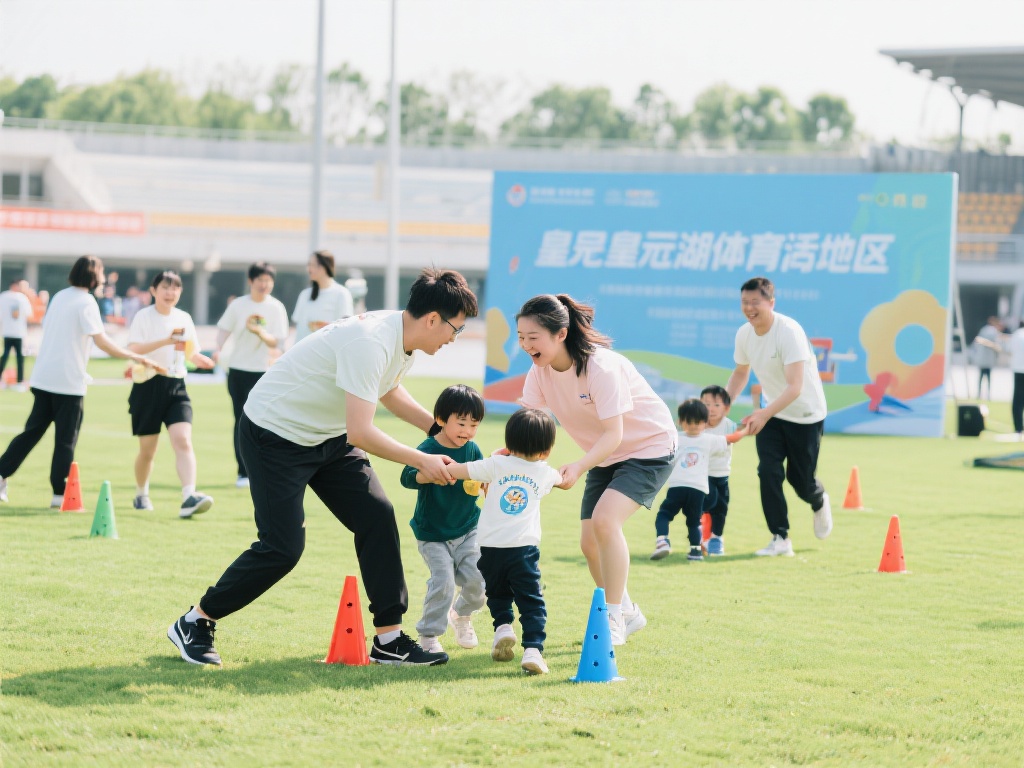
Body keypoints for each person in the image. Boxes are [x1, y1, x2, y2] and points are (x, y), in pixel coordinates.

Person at [167, 267, 478, 667]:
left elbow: (387, 389)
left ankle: (389, 639)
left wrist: (438, 431)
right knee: (282, 548)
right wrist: (422, 459)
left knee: (377, 516)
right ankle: (196, 620)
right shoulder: (370, 341)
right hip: (274, 434)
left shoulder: (401, 340)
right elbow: (361, 432)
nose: (454, 338)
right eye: (456, 328)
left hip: (327, 438)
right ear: (433, 319)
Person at [516, 294, 677, 646]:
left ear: (560, 334)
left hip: (649, 447)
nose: (526, 345)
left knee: (605, 521)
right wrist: (503, 462)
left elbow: (613, 434)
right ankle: (629, 612)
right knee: (590, 543)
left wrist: (578, 465)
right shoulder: (539, 371)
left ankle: (613, 616)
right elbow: (527, 424)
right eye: (521, 337)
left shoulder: (600, 367)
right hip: (606, 455)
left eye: (533, 337)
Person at [0, 256, 162, 507]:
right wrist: (136, 356)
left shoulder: (60, 296)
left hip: (44, 378)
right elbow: (102, 342)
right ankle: (59, 494)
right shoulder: (86, 302)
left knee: (31, 433)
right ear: (93, 276)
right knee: (66, 440)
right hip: (68, 383)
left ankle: (2, 473)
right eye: (102, 273)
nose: (104, 277)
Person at [446, 408, 564, 675]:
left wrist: (441, 465)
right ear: (547, 450)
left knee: (497, 593)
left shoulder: (495, 465)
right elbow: (563, 480)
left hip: (489, 549)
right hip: (523, 550)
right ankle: (533, 650)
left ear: (509, 443)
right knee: (531, 600)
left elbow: (460, 470)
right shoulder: (545, 473)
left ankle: (502, 627)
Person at [725, 276, 833, 558]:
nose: (749, 308)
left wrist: (763, 413)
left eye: (755, 302)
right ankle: (780, 538)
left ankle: (819, 500)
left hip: (805, 415)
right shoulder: (744, 334)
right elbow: (740, 372)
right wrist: (723, 406)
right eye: (744, 302)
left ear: (771, 303)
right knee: (768, 471)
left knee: (801, 482)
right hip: (772, 413)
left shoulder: (789, 332)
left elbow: (795, 387)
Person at [401, 384, 487, 654]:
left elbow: (483, 473)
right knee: (444, 582)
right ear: (441, 419)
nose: (467, 431)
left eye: (474, 425)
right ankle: (429, 636)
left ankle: (461, 614)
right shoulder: (428, 448)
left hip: (468, 528)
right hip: (433, 533)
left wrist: (488, 483)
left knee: (478, 582)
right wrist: (428, 474)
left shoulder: (472, 449)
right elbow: (406, 478)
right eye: (461, 423)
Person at [126, 271, 217, 518]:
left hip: (177, 386)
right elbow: (133, 349)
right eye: (165, 287)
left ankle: (189, 496)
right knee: (148, 451)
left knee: (183, 440)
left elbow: (190, 351)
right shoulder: (144, 316)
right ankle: (141, 493)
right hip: (147, 386)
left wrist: (201, 360)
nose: (171, 293)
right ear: (153, 291)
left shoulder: (184, 318)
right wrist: (165, 341)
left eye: (175, 288)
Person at [214, 262, 289, 488]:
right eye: (260, 280)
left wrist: (261, 333)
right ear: (250, 281)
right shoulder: (238, 305)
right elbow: (223, 330)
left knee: (267, 422)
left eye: (268, 281)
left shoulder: (276, 308)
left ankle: (266, 467)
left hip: (264, 372)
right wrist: (218, 349)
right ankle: (243, 472)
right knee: (241, 421)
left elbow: (279, 342)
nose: (264, 285)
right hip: (238, 370)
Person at [651, 398, 745, 562]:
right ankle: (695, 551)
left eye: (696, 422)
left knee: (664, 514)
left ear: (680, 421)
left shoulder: (675, 438)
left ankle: (662, 541)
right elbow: (732, 438)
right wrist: (746, 429)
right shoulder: (709, 439)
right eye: (692, 422)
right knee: (694, 522)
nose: (694, 425)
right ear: (706, 423)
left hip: (677, 486)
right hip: (698, 489)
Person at [700, 385, 739, 556]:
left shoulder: (729, 425)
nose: (711, 409)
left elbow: (732, 439)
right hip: (702, 474)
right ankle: (701, 534)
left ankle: (716, 539)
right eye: (706, 404)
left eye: (716, 405)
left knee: (721, 508)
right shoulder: (697, 424)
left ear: (726, 408)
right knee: (706, 504)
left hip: (722, 474)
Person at [291, 250, 354, 345]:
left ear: (324, 267)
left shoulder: (341, 294)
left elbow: (345, 328)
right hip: (304, 350)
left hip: (328, 349)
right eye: (309, 265)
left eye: (313, 265)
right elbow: (299, 328)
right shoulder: (305, 295)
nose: (309, 269)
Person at [0, 279, 34, 390]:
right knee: (19, 357)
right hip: (19, 332)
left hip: (7, 331)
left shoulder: (3, 296)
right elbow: (29, 314)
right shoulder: (22, 298)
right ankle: (19, 381)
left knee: (5, 355)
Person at [971, 316, 1003, 401]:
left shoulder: (983, 329)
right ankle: (987, 395)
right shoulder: (993, 331)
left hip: (982, 358)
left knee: (981, 377)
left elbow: (976, 342)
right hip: (988, 359)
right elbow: (997, 345)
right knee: (987, 378)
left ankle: (979, 394)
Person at [1008, 320, 1024, 438]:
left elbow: (1009, 350)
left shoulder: (1016, 335)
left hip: (1018, 369)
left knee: (1017, 399)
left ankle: (1018, 427)